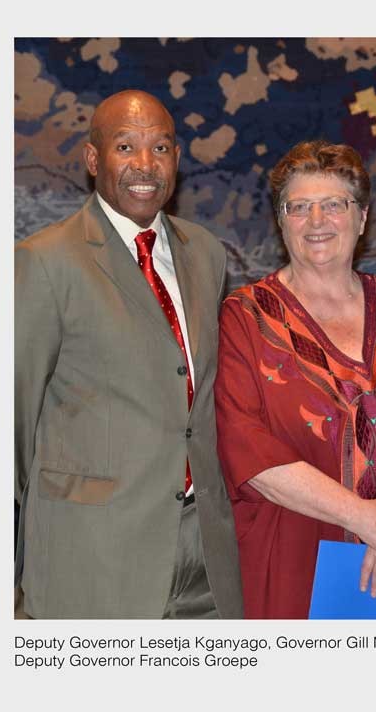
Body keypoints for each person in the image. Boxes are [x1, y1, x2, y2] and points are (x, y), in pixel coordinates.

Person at [14, 89, 243, 618]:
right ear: (94, 160)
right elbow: (8, 428)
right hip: (94, 557)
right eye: (125, 147)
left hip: (206, 552)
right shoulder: (44, 263)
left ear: (177, 161)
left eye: (160, 148)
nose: (145, 165)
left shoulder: (205, 252)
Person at [215, 140, 376, 618]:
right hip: (291, 568)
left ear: (362, 218)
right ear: (281, 222)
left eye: (334, 205)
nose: (317, 221)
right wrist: (367, 521)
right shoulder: (244, 319)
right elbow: (246, 450)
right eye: (299, 207)